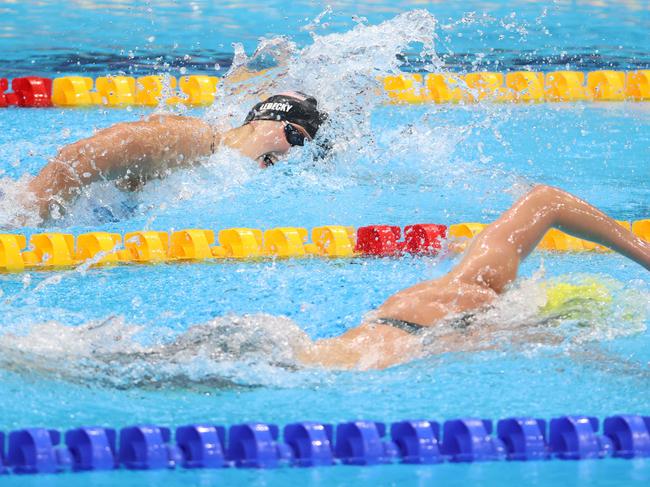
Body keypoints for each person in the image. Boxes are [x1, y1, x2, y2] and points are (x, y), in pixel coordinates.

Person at [296, 185, 650, 370]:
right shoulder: (483, 290)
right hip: (398, 349)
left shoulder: (467, 288)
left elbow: (547, 199)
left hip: (370, 343)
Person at [27, 91, 328, 219]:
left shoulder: (215, 170)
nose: (288, 156)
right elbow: (80, 157)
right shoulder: (193, 139)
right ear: (267, 122)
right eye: (294, 138)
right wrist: (27, 217)